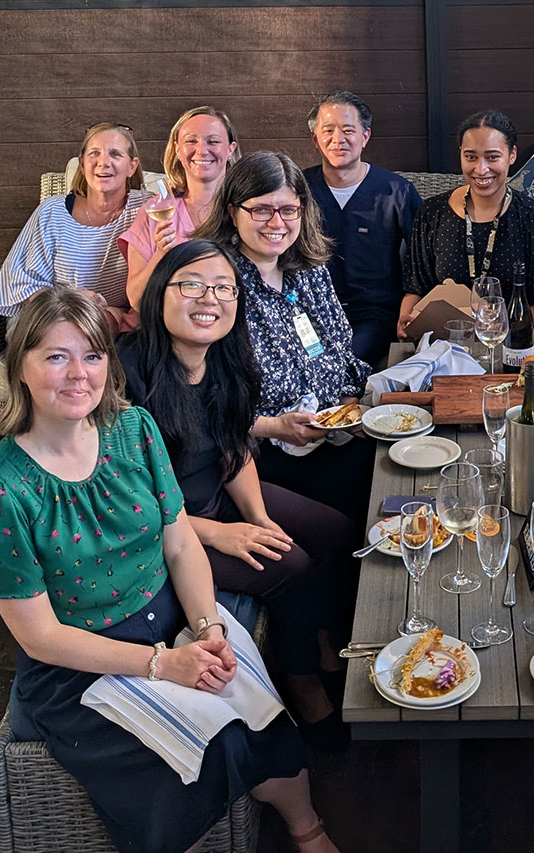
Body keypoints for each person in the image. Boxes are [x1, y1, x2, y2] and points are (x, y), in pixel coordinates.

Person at [0, 287, 337, 853]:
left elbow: (180, 546)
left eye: (93, 355)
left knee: (262, 713)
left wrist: (210, 629)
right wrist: (163, 664)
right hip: (80, 666)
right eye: (56, 356)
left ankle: (309, 830)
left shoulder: (134, 429)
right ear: (19, 369)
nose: (79, 373)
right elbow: (41, 636)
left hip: (173, 621)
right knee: (215, 744)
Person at [117, 239, 359, 745]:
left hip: (218, 496)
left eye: (223, 288)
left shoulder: (227, 356)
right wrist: (221, 533)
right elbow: (126, 498)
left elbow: (236, 448)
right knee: (292, 569)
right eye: (192, 285)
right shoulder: (127, 374)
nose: (210, 298)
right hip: (161, 525)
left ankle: (323, 641)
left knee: (337, 532)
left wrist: (257, 514)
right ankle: (302, 684)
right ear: (161, 292)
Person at [195, 151, 375, 522]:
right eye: (261, 210)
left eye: (288, 210)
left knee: (396, 468)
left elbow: (340, 351)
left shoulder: (308, 268)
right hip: (255, 451)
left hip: (327, 432)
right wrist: (275, 426)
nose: (277, 222)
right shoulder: (215, 285)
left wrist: (347, 407)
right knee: (364, 499)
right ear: (232, 212)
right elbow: (198, 398)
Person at [0, 122, 150, 430]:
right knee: (80, 338)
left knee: (102, 335)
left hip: (114, 321)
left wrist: (111, 315)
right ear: (82, 162)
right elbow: (16, 283)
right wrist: (76, 302)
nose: (103, 162)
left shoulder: (147, 208)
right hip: (47, 315)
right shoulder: (53, 212)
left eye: (115, 154)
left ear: (132, 165)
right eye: (94, 153)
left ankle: (4, 419)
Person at [398, 110, 534, 339]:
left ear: (512, 155)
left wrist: (503, 328)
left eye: (492, 157)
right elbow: (415, 289)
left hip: (510, 342)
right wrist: (406, 319)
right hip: (443, 344)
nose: (481, 169)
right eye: (471, 157)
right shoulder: (431, 212)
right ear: (460, 155)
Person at [303, 92, 422, 366]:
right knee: (307, 359)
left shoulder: (396, 191)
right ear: (315, 139)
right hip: (311, 313)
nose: (338, 139)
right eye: (328, 130)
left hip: (374, 314)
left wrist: (412, 307)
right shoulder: (298, 190)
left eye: (348, 130)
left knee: (343, 362)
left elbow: (423, 259)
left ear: (365, 136)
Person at [121, 106, 241, 312]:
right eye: (191, 141)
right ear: (177, 149)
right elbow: (137, 301)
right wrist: (161, 254)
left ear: (230, 149)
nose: (202, 150)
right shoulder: (155, 211)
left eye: (213, 141)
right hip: (164, 330)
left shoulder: (247, 209)